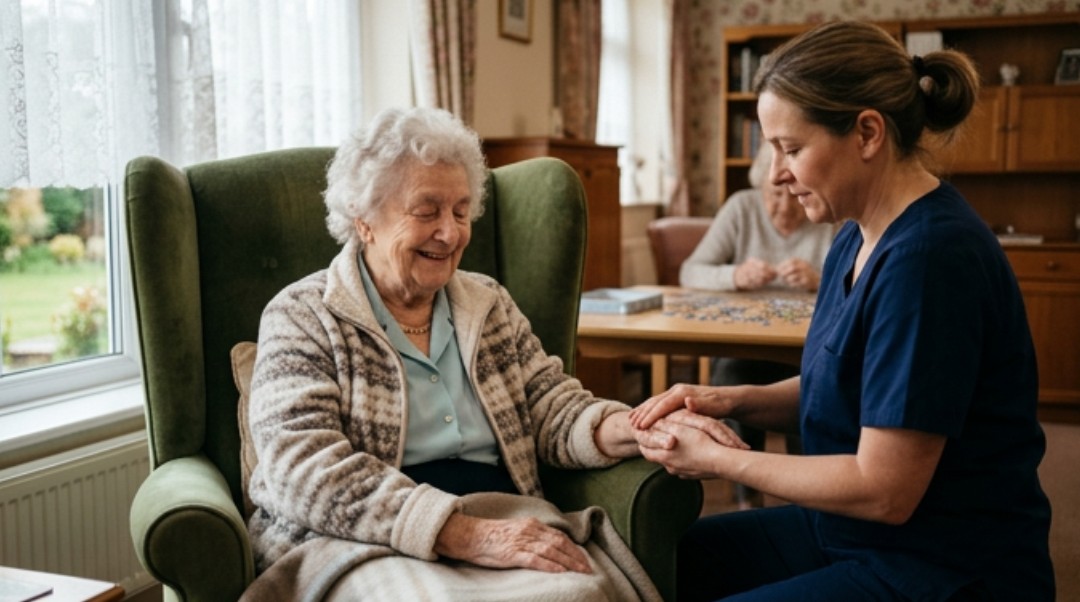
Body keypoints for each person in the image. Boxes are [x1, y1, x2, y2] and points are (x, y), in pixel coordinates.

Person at [630, 20, 1054, 601]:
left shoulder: (929, 259)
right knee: (642, 565)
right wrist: (729, 400)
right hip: (851, 533)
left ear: (867, 133)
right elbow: (844, 387)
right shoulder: (855, 236)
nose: (777, 174)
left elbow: (884, 489)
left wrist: (721, 459)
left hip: (939, 563)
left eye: (791, 148)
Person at [239, 107, 690, 601]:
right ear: (364, 221)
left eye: (460, 210)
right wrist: (464, 535)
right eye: (426, 211)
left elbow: (551, 407)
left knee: (576, 596)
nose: (450, 233)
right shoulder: (303, 314)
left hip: (504, 512)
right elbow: (300, 466)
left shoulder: (486, 302)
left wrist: (640, 427)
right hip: (360, 538)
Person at [680, 142, 835, 508]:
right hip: (745, 344)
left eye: (793, 194)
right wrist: (736, 274)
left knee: (820, 383)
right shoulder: (741, 207)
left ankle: (810, 491)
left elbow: (856, 281)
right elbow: (691, 270)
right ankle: (745, 494)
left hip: (803, 347)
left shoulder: (826, 213)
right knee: (730, 374)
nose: (784, 206)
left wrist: (819, 278)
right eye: (774, 193)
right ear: (762, 184)